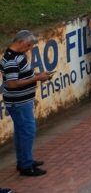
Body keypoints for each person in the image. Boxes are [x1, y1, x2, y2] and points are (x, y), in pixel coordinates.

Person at [3, 31, 52, 177]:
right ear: (21, 42)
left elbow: (22, 75)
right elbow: (12, 84)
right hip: (18, 102)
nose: (29, 48)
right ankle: (25, 166)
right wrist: (36, 79)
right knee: (28, 131)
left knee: (21, 132)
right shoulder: (11, 60)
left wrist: (37, 75)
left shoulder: (18, 55)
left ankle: (25, 160)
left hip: (22, 101)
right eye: (29, 45)